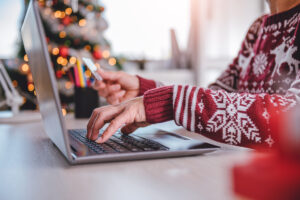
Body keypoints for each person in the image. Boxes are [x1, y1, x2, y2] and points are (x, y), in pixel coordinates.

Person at [87, 0, 300, 148]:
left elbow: (292, 118)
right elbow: (218, 95)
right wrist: (146, 92)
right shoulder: (258, 29)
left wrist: (168, 102)